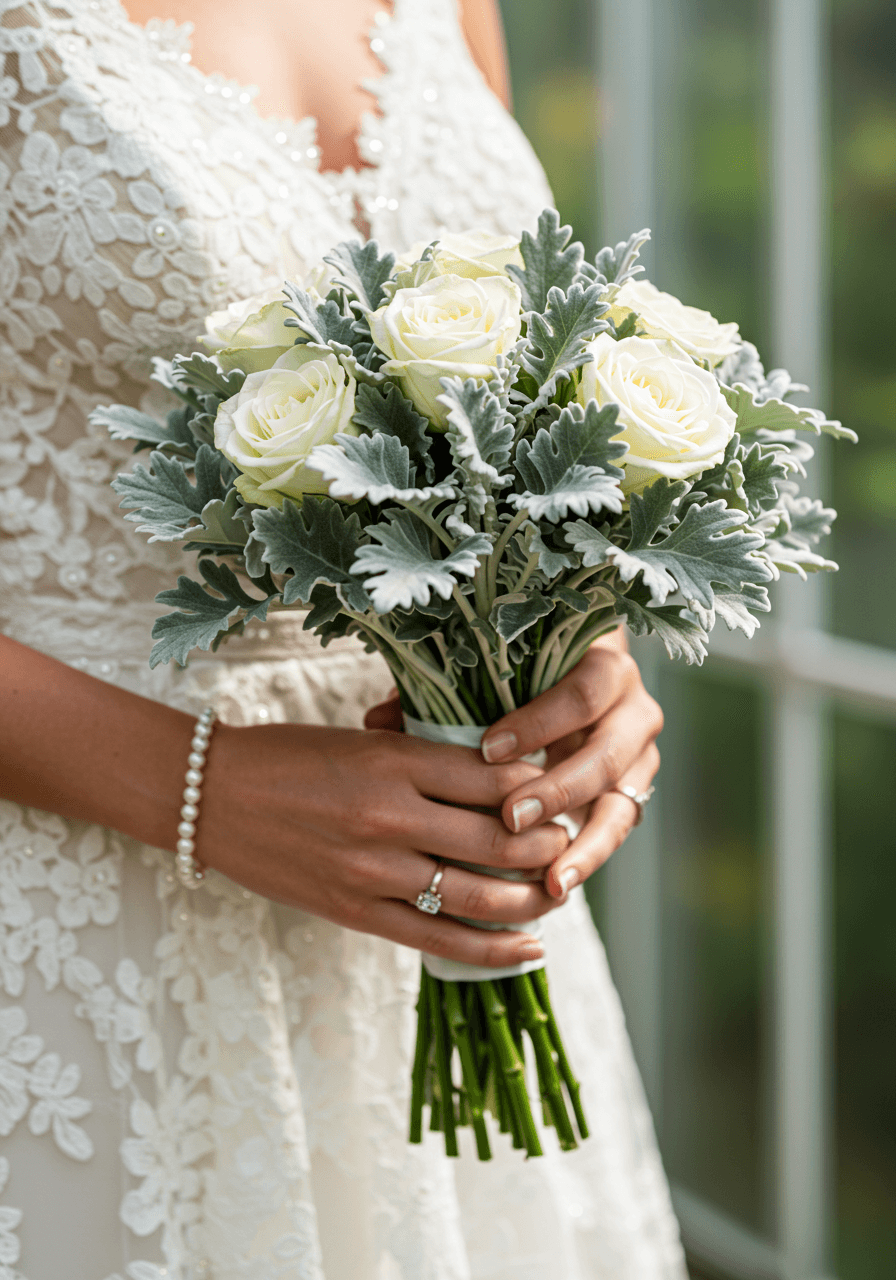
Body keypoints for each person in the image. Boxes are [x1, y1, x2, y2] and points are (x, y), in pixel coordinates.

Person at [0, 1, 686, 1276]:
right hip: (75, 903)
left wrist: (583, 663)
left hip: (438, 886)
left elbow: (500, 408)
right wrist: (200, 788)